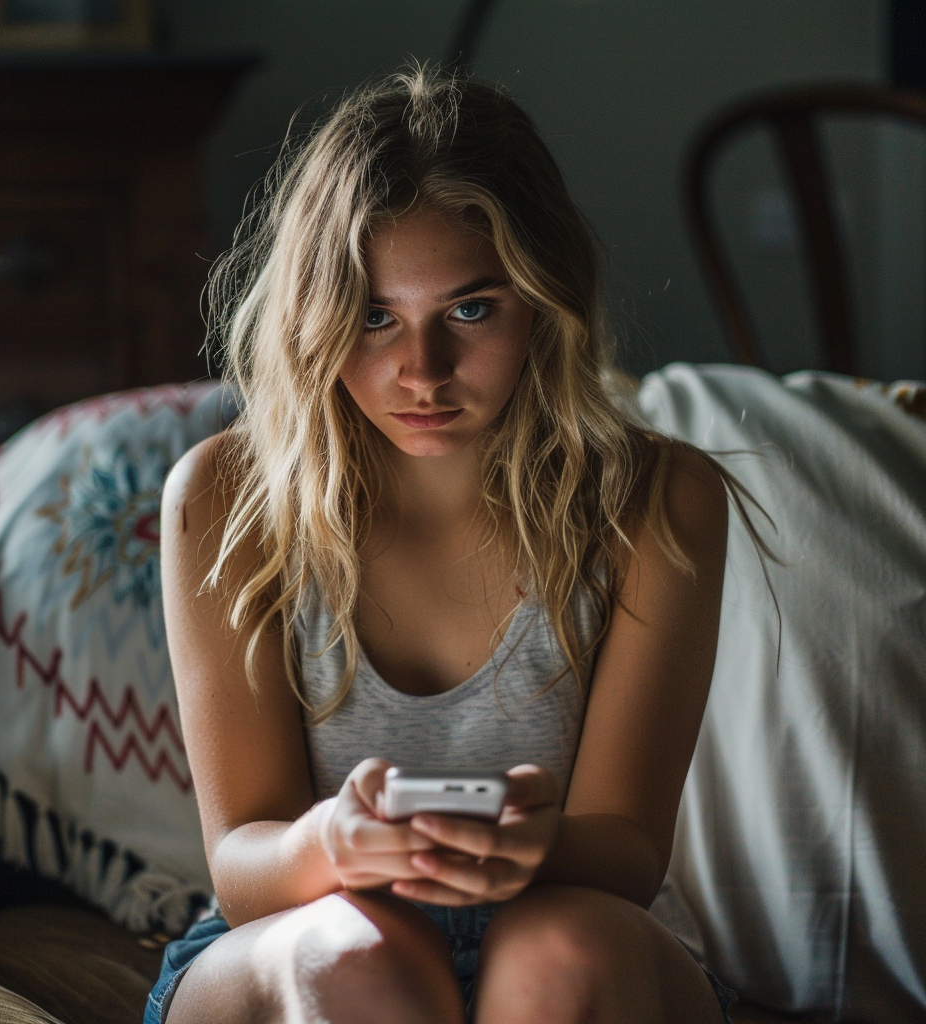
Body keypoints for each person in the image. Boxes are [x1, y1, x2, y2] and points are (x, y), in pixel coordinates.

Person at [148, 65, 742, 1024]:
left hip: (571, 930)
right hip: (311, 930)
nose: (420, 372)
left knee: (565, 952)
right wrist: (336, 844)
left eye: (470, 309)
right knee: (352, 955)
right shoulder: (228, 500)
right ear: (315, 316)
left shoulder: (658, 500)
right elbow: (243, 873)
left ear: (546, 302)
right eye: (375, 317)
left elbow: (627, 851)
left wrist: (535, 849)